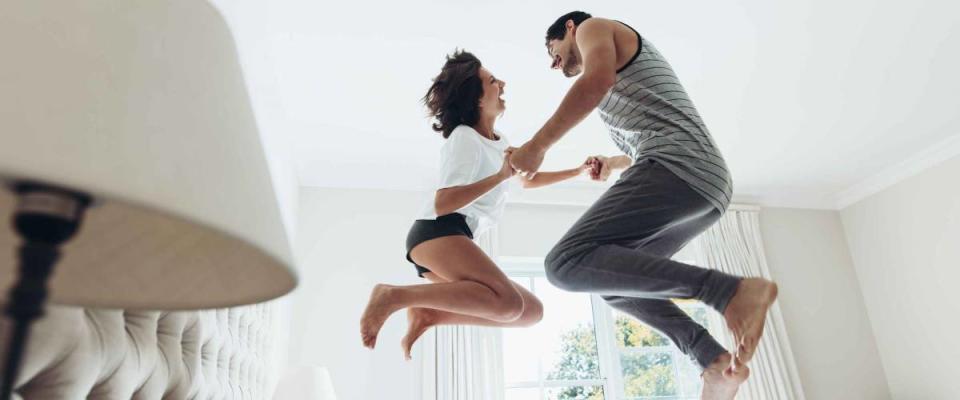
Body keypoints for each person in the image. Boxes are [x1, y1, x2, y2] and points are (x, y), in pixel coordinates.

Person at [507, 11, 779, 399]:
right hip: (705, 186)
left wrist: (537, 146)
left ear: (570, 29)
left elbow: (596, 81)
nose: (553, 62)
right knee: (615, 286)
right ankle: (711, 358)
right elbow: (642, 136)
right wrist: (613, 163)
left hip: (679, 167)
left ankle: (727, 292)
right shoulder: (619, 82)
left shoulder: (592, 27)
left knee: (564, 264)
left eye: (553, 50)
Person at [359, 50, 597, 360]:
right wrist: (500, 176)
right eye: (493, 81)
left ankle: (430, 314)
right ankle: (393, 296)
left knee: (529, 312)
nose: (503, 84)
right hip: (438, 230)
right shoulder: (464, 137)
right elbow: (444, 202)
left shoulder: (499, 140)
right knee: (508, 303)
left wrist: (578, 171)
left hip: (453, 237)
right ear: (477, 99)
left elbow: (526, 179)